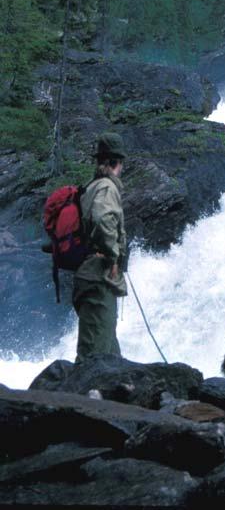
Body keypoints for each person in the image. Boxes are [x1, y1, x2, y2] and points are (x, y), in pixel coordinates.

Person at [72, 132, 128, 362]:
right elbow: (102, 217)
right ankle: (77, 398)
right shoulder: (106, 187)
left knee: (109, 354)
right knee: (93, 356)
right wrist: (113, 256)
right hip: (98, 276)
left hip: (91, 275)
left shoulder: (93, 186)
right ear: (117, 162)